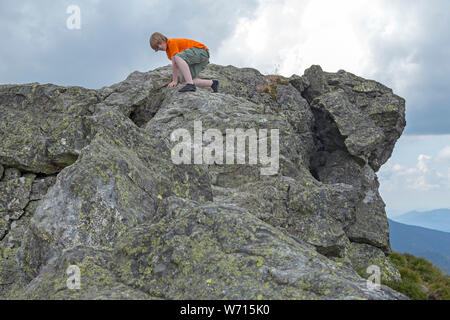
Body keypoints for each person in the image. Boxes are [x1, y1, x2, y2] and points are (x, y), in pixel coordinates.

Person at [150, 32, 219, 93]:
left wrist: (174, 80)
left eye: (159, 43)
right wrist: (178, 79)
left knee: (177, 57)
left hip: (201, 51)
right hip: (200, 60)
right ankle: (212, 83)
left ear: (163, 39)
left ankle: (190, 84)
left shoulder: (171, 43)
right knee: (183, 81)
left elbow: (175, 63)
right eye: (157, 47)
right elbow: (178, 65)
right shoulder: (169, 53)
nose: (160, 47)